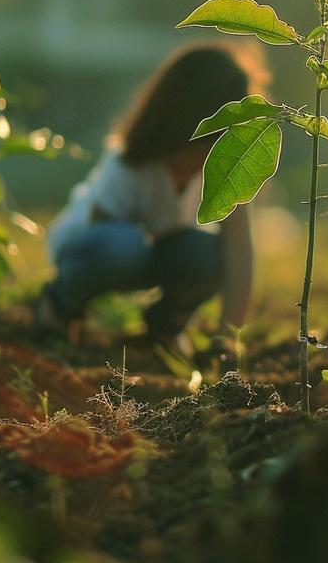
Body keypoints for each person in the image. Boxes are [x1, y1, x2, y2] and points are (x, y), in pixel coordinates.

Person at [34, 42, 265, 355]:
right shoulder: (133, 163)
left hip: (153, 253)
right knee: (124, 247)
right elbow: (106, 247)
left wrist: (227, 341)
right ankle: (59, 306)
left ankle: (165, 327)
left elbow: (239, 252)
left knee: (208, 256)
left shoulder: (227, 170)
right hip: (93, 249)